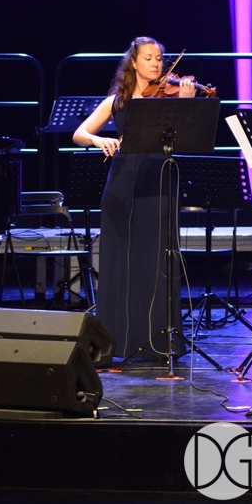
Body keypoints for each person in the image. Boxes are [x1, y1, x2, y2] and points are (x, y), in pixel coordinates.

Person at [72, 37, 199, 360]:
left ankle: (157, 341)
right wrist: (98, 140)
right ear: (133, 62)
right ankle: (114, 342)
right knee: (118, 262)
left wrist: (185, 104)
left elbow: (187, 141)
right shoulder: (118, 100)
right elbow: (79, 133)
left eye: (159, 58)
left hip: (158, 182)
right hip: (121, 184)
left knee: (156, 261)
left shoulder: (170, 98)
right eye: (148, 58)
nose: (156, 64)